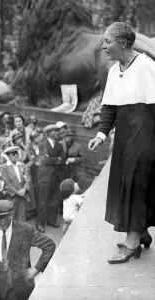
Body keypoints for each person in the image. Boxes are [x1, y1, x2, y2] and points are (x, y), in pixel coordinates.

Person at [88, 22, 155, 264]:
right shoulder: (114, 71)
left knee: (136, 183)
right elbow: (110, 107)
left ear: (123, 43)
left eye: (108, 41)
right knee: (127, 182)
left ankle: (132, 242)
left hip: (147, 134)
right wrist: (101, 135)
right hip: (126, 137)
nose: (103, 46)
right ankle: (142, 231)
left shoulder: (147, 66)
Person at [0, 200, 56, 300]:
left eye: (1, 218)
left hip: (18, 283)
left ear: (11, 215)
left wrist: (36, 270)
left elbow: (49, 245)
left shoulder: (25, 230)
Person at [36, 124, 65, 233]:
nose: (58, 133)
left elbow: (62, 158)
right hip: (45, 176)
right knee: (43, 200)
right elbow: (44, 160)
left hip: (56, 176)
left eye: (58, 131)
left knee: (55, 200)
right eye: (55, 131)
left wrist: (54, 159)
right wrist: (56, 159)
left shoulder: (59, 145)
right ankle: (40, 223)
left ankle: (51, 220)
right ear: (49, 133)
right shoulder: (42, 144)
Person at [1, 146, 30, 222]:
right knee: (11, 217)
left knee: (21, 216)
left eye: (17, 153)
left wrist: (24, 189)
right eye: (13, 154)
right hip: (11, 196)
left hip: (22, 195)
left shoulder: (22, 165)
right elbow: (6, 182)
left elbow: (27, 178)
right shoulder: (4, 167)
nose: (16, 155)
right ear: (8, 156)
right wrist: (17, 192)